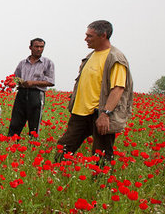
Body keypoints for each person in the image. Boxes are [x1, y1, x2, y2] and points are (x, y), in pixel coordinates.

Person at [55, 20, 133, 162]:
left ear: (103, 35)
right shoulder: (91, 56)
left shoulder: (115, 58)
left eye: (89, 36)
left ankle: (102, 183)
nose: (86, 39)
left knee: (101, 155)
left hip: (100, 114)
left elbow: (118, 89)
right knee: (63, 148)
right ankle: (61, 178)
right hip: (80, 113)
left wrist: (105, 114)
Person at [7, 38, 55, 137]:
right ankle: (11, 145)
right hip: (21, 94)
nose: (39, 49)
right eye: (36, 46)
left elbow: (51, 82)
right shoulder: (22, 63)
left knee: (34, 125)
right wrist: (15, 82)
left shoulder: (47, 63)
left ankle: (32, 146)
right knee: (15, 122)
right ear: (30, 47)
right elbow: (15, 77)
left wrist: (32, 83)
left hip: (36, 95)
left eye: (41, 47)